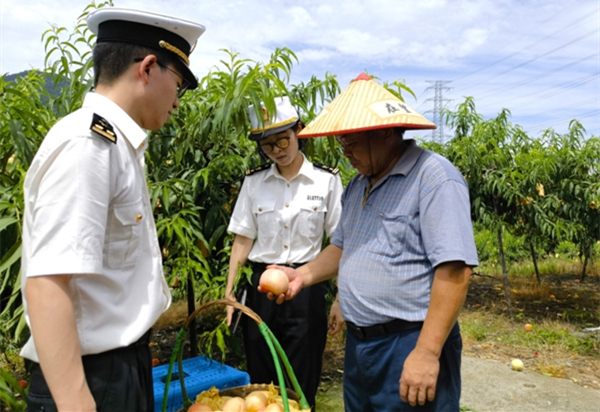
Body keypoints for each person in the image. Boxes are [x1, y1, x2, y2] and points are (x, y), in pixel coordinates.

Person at [20, 8, 205, 411]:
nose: (177, 101)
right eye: (178, 84)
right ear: (149, 68)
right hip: (89, 379)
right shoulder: (88, 145)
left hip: (118, 370)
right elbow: (47, 283)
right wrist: (77, 403)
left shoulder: (119, 146)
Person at [262, 73, 479, 411]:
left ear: (387, 132)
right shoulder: (357, 185)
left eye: (353, 142)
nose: (345, 152)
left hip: (408, 341)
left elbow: (455, 271)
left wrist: (426, 353)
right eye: (342, 143)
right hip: (362, 347)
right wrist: (301, 276)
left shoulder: (434, 178)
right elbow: (341, 248)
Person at [225, 96, 344, 410]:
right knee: (261, 383)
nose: (277, 150)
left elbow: (341, 243)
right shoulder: (254, 183)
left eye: (282, 140)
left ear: (299, 130)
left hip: (306, 288)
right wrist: (230, 294)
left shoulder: (327, 180)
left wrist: (341, 298)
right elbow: (242, 240)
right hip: (262, 290)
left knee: (302, 381)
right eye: (267, 145)